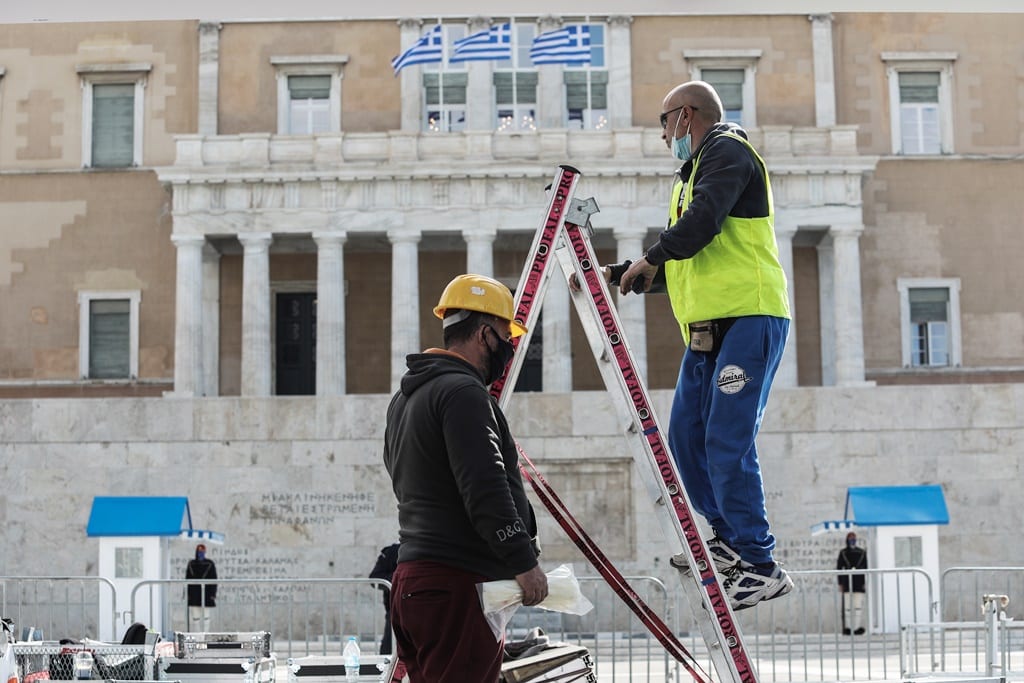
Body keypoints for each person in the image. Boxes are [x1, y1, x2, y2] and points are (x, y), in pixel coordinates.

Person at [610, 80, 793, 610]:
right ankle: (731, 543)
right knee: (685, 439)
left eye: (664, 124)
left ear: (686, 116)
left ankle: (760, 563)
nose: (665, 136)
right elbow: (686, 258)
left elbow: (704, 224)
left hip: (749, 317)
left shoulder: (728, 152)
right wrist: (628, 272)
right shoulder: (689, 176)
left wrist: (651, 255)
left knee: (726, 440)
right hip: (707, 331)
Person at [382, 273, 548, 683]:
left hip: (414, 582)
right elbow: (485, 487)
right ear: (484, 334)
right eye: (505, 338)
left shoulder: (405, 398)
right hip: (457, 585)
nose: (508, 349)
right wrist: (524, 563)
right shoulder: (463, 394)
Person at [368, 542, 400, 655]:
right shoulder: (393, 552)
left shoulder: (425, 551)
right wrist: (399, 578)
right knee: (388, 649)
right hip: (396, 610)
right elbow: (375, 578)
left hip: (422, 609)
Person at [837, 531, 868, 635]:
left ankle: (857, 627)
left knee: (858, 607)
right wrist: (840, 583)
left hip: (858, 582)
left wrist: (864, 583)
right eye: (850, 538)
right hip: (846, 582)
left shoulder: (862, 552)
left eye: (854, 538)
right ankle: (848, 627)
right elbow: (839, 568)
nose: (852, 540)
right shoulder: (843, 553)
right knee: (847, 608)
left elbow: (865, 569)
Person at [185, 543, 217, 631]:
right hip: (194, 593)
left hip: (207, 593)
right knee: (196, 617)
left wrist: (213, 593)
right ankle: (197, 634)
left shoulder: (209, 563)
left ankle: (205, 634)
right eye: (199, 551)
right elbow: (187, 580)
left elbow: (214, 580)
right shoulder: (191, 564)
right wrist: (188, 594)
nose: (201, 553)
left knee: (206, 616)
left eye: (202, 551)